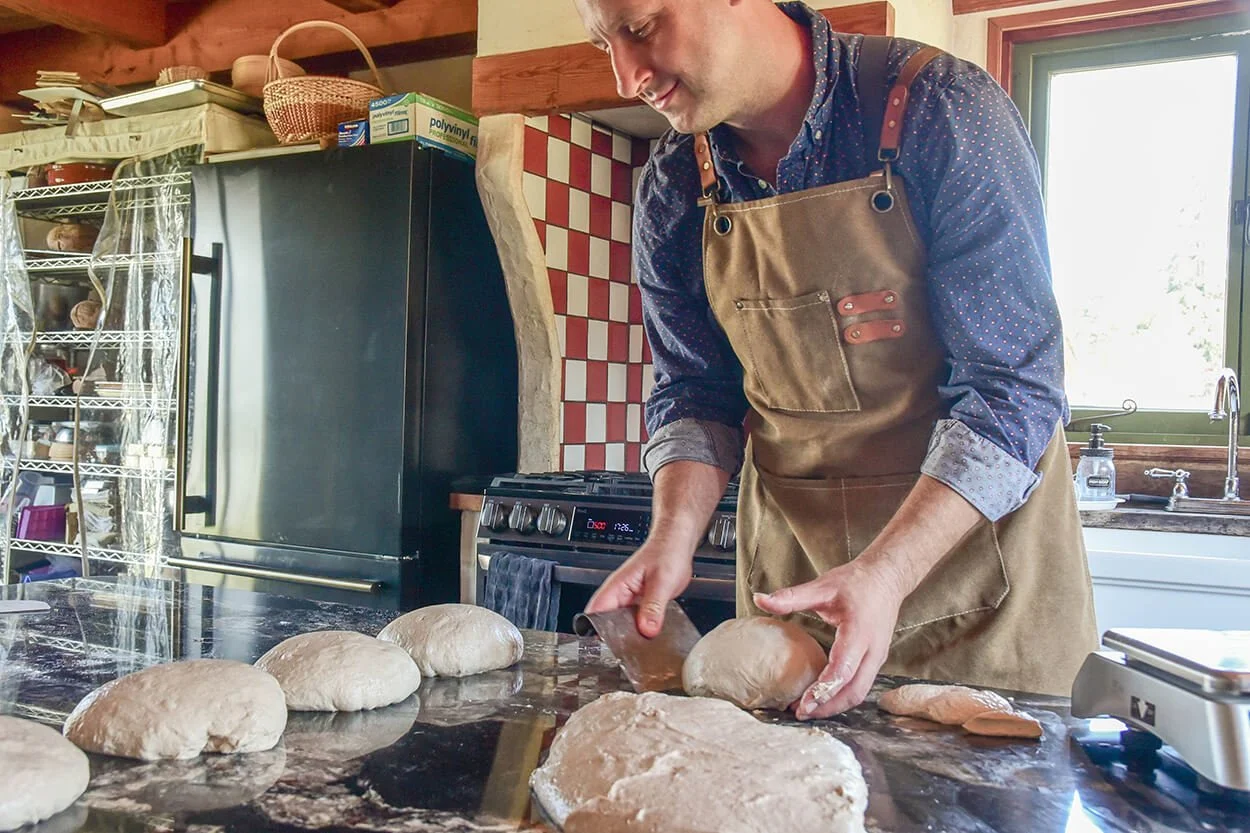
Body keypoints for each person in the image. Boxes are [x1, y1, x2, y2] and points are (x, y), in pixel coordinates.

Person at [574, 0, 1099, 718]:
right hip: (798, 605)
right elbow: (696, 391)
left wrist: (885, 573)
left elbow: (1014, 390)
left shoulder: (941, 111)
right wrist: (672, 537)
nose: (628, 75)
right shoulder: (672, 185)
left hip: (985, 600)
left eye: (640, 28)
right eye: (605, 43)